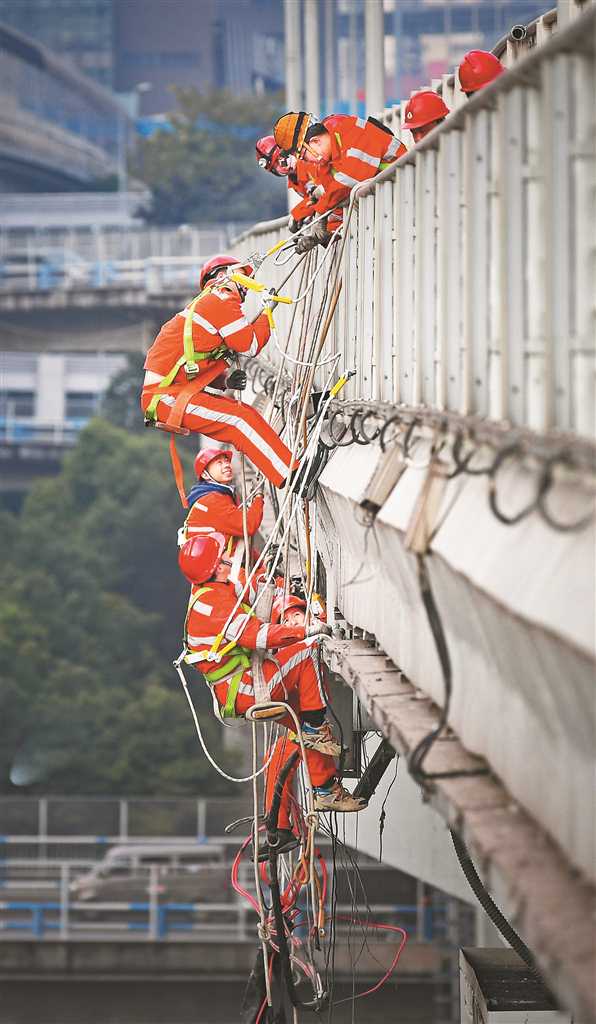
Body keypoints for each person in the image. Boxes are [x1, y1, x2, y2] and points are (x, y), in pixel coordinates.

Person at [179, 533, 367, 851]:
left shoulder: (217, 588)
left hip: (244, 683)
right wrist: (305, 629)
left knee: (298, 734)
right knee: (307, 653)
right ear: (214, 568)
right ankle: (315, 729)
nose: (228, 560)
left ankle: (300, 810)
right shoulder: (214, 605)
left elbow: (263, 588)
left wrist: (290, 606)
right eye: (221, 559)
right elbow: (259, 636)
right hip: (249, 687)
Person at [141, 255, 300, 494]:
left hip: (173, 392)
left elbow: (195, 363)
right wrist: (267, 313)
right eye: (244, 276)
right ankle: (291, 474)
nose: (247, 286)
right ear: (224, 275)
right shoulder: (220, 299)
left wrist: (224, 380)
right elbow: (250, 344)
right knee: (239, 420)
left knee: (245, 414)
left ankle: (289, 469)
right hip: (165, 397)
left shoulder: (209, 304)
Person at [272, 111, 407, 250]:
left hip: (406, 188)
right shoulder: (325, 163)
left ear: (315, 142)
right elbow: (337, 208)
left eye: (303, 156)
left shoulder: (351, 130)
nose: (306, 162)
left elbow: (351, 178)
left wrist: (320, 211)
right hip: (388, 207)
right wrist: (321, 236)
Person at [181, 448, 264, 557]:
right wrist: (258, 497)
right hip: (219, 565)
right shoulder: (212, 501)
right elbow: (247, 526)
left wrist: (263, 562)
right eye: (219, 463)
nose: (226, 465)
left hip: (222, 563)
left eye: (227, 461)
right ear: (205, 475)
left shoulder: (221, 496)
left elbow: (236, 543)